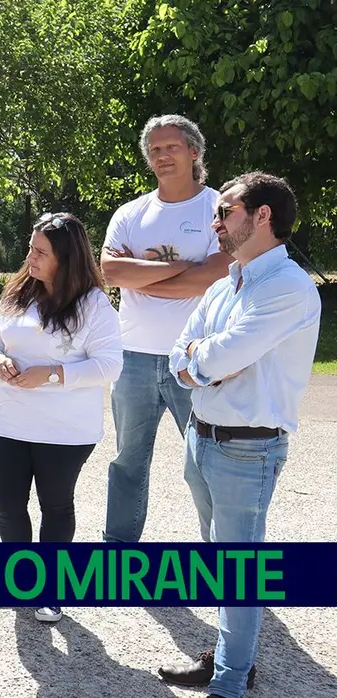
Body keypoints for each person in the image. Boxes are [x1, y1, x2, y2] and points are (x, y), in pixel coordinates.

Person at [158, 173, 320, 698]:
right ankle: (230, 657)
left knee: (237, 568)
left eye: (225, 211)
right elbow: (181, 350)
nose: (215, 221)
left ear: (263, 215)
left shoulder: (288, 287)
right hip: (201, 436)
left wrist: (203, 361)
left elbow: (220, 355)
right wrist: (202, 363)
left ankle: (230, 681)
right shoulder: (228, 284)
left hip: (246, 447)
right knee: (219, 561)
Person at [0, 213, 123, 624]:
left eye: (40, 251)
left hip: (66, 431)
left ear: (66, 258)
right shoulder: (16, 292)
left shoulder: (94, 304)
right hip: (9, 423)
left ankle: (51, 590)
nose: (30, 256)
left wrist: (55, 373)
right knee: (7, 506)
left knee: (55, 507)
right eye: (30, 247)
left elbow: (111, 365)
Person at [101, 115, 232, 544]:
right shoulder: (131, 212)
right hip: (132, 356)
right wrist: (180, 268)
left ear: (194, 152)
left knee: (205, 463)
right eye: (154, 149)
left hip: (195, 357)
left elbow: (213, 275)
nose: (162, 156)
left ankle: (223, 559)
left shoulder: (220, 209)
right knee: (127, 462)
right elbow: (111, 269)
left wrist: (150, 275)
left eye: (171, 147)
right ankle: (119, 552)